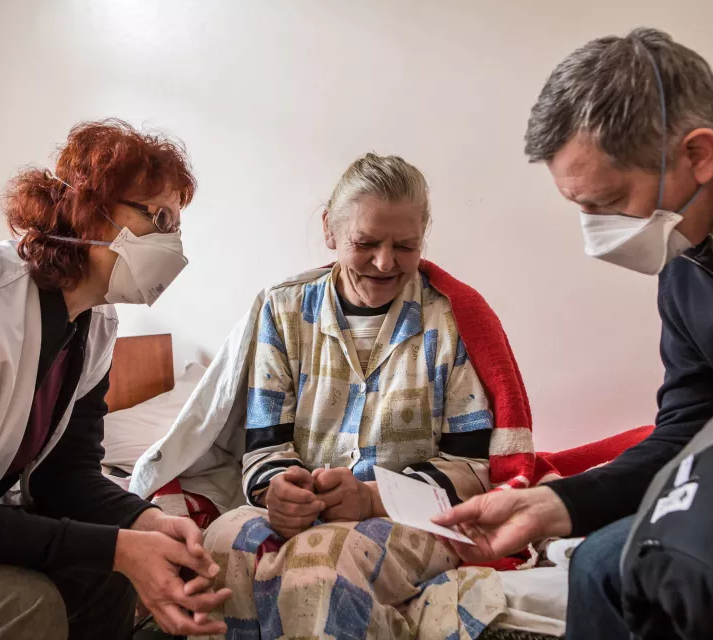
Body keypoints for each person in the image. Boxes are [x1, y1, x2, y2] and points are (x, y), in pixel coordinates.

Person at [433, 27, 713, 639]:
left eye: (610, 200)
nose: (596, 232)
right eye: (581, 208)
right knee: (602, 565)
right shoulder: (685, 263)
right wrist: (558, 504)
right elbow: (689, 429)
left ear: (698, 153)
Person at [0, 119, 231, 639]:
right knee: (23, 607)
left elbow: (64, 477)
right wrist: (117, 547)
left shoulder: (96, 322)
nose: (172, 242)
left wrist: (144, 521)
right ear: (89, 209)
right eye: (158, 217)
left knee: (104, 578)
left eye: (176, 225)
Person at [200, 153, 511, 638]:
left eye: (405, 246)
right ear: (330, 229)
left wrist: (369, 499)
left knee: (320, 566)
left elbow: (472, 470)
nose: (385, 262)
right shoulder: (283, 311)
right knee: (223, 545)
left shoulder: (453, 320)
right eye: (365, 243)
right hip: (304, 514)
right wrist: (279, 491)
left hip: (416, 521)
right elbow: (265, 446)